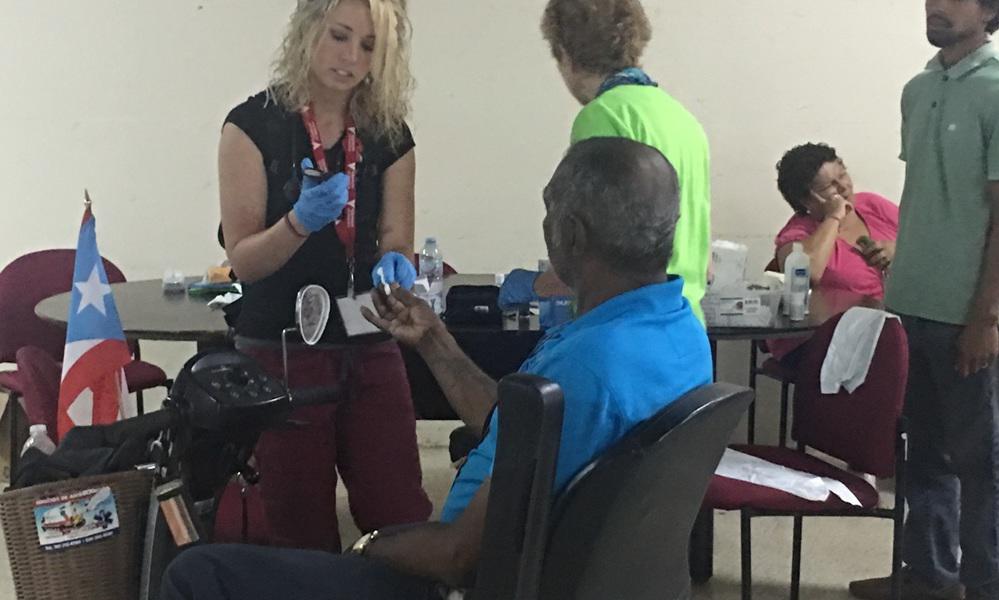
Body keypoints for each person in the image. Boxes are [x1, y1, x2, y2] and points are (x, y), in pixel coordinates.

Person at [159, 138, 713, 600]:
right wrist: (434, 342)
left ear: (570, 235)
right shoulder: (675, 330)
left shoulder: (590, 369)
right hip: (578, 571)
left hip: (471, 582)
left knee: (197, 574)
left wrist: (371, 542)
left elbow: (457, 557)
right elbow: (526, 429)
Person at [215, 0, 431, 551]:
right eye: (339, 36)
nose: (350, 58)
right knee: (298, 522)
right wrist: (297, 224)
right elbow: (244, 260)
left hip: (367, 334)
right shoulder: (252, 126)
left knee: (400, 508)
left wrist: (397, 260)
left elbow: (396, 237)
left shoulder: (387, 133)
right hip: (282, 346)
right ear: (308, 30)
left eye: (368, 46)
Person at [849, 1, 999, 599]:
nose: (935, 5)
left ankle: (986, 586)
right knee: (920, 455)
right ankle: (929, 578)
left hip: (969, 315)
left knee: (981, 463)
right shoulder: (918, 89)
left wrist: (985, 316)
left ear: (989, 9)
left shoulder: (997, 90)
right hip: (909, 304)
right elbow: (927, 197)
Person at [499, 0, 712, 324]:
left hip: (624, 327)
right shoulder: (682, 120)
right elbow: (704, 262)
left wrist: (532, 285)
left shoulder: (602, 116)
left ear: (564, 54)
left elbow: (592, 259)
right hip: (685, 326)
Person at [769, 142, 899, 364]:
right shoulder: (796, 235)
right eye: (829, 187)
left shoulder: (872, 205)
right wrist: (834, 217)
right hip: (826, 340)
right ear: (807, 200)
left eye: (843, 175)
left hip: (887, 326)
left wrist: (897, 250)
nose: (844, 187)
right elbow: (808, 273)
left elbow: (921, 242)